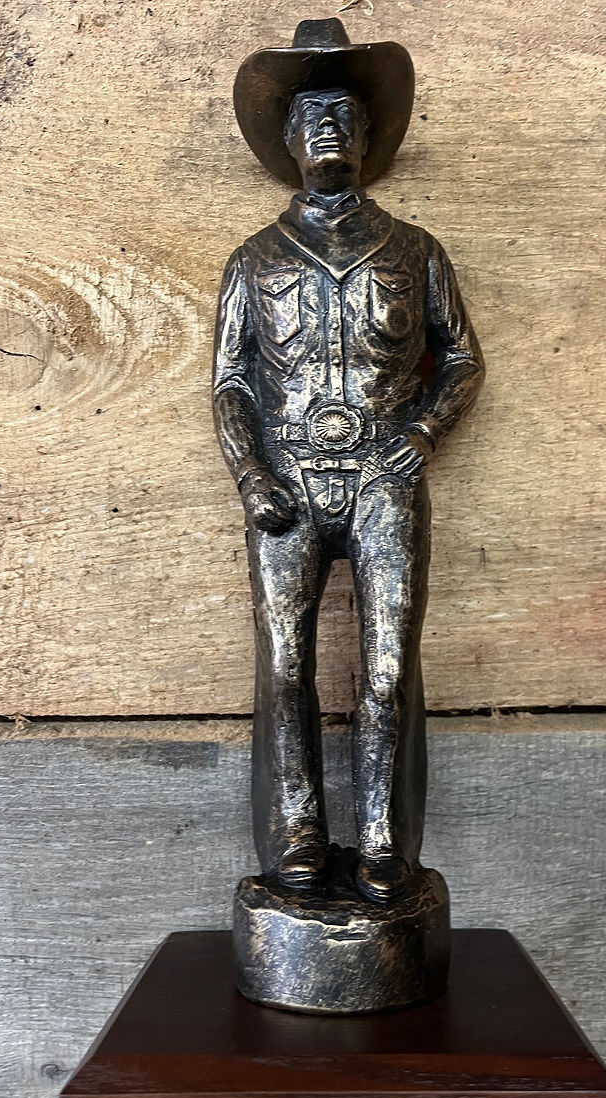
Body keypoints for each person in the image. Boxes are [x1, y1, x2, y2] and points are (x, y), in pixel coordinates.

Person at [213, 19, 485, 904]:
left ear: (370, 137)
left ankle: (381, 843)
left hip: (384, 474)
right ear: (287, 140)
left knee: (387, 667)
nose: (328, 126)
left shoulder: (415, 252)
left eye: (344, 113)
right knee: (285, 663)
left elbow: (462, 357)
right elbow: (229, 383)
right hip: (287, 478)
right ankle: (295, 837)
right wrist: (251, 473)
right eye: (309, 115)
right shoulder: (253, 261)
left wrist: (424, 433)